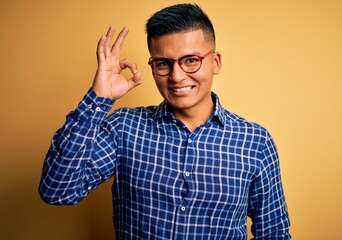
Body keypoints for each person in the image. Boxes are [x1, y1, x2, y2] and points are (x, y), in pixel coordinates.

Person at [39, 3, 291, 239]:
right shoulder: (124, 128)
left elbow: (274, 233)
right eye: (163, 63)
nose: (177, 76)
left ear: (215, 62)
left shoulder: (255, 142)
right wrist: (98, 98)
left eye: (191, 60)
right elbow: (58, 190)